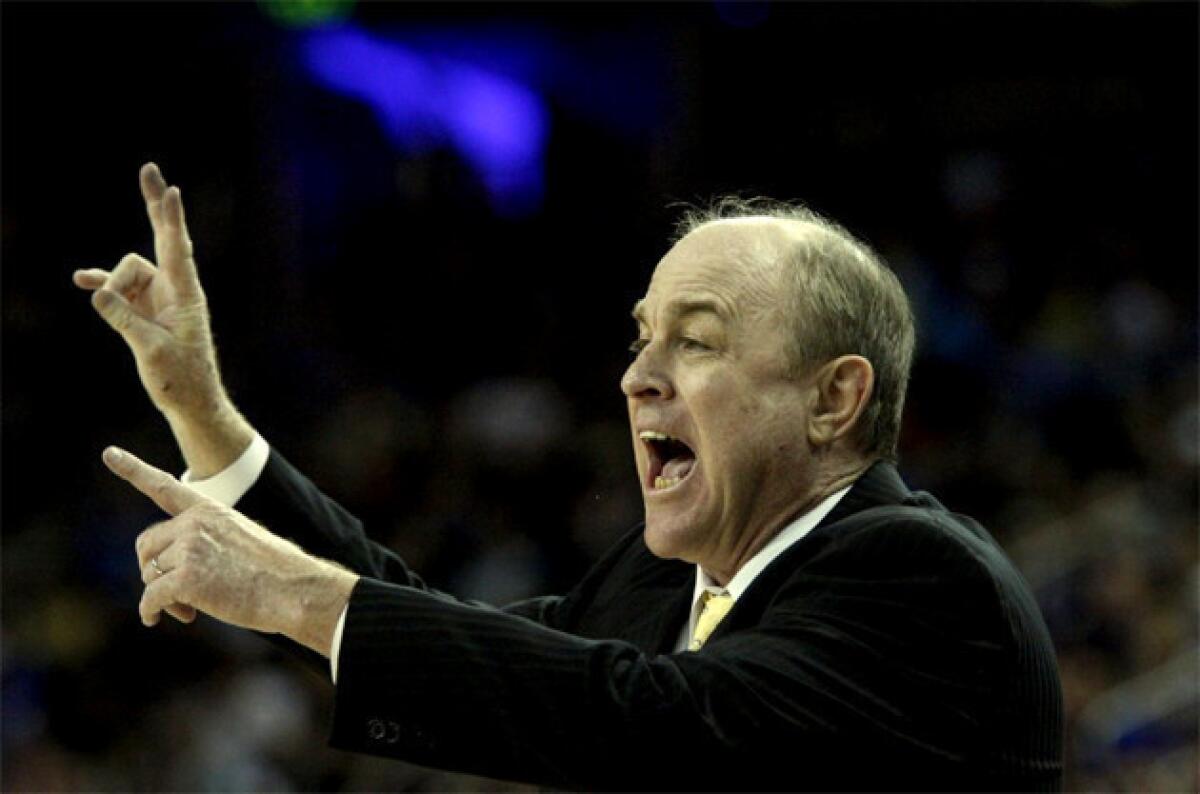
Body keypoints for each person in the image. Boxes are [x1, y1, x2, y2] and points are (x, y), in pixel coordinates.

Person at [75, 163, 1063, 791]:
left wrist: (292, 590)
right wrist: (204, 416)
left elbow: (658, 722)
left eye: (698, 340)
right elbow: (449, 639)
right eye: (642, 338)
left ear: (833, 398)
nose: (637, 376)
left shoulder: (922, 575)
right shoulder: (659, 584)